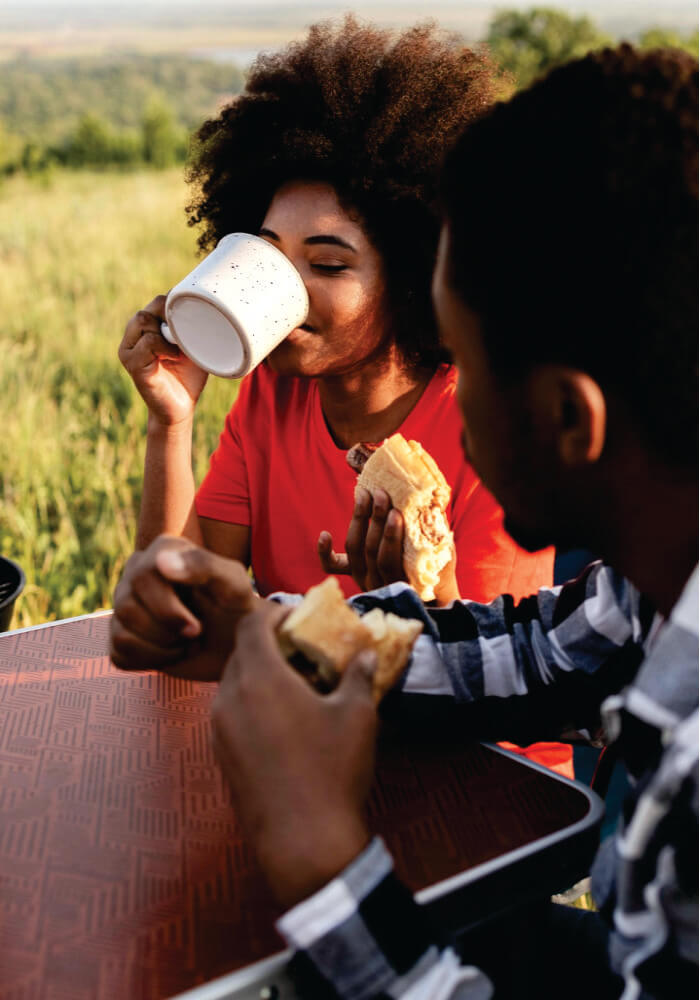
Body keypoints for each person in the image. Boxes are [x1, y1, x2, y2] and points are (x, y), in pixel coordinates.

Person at [110, 42, 698, 999]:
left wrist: (324, 864)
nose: (451, 405)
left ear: (563, 420)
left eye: (464, 359)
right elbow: (525, 656)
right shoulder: (647, 594)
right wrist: (264, 631)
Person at [119, 16, 566, 774]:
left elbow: (495, 695)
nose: (285, 293)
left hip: (482, 786)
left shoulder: (486, 428)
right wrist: (173, 421)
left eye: (327, 266)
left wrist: (410, 598)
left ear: (420, 277)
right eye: (268, 256)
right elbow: (177, 623)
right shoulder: (270, 397)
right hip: (314, 744)